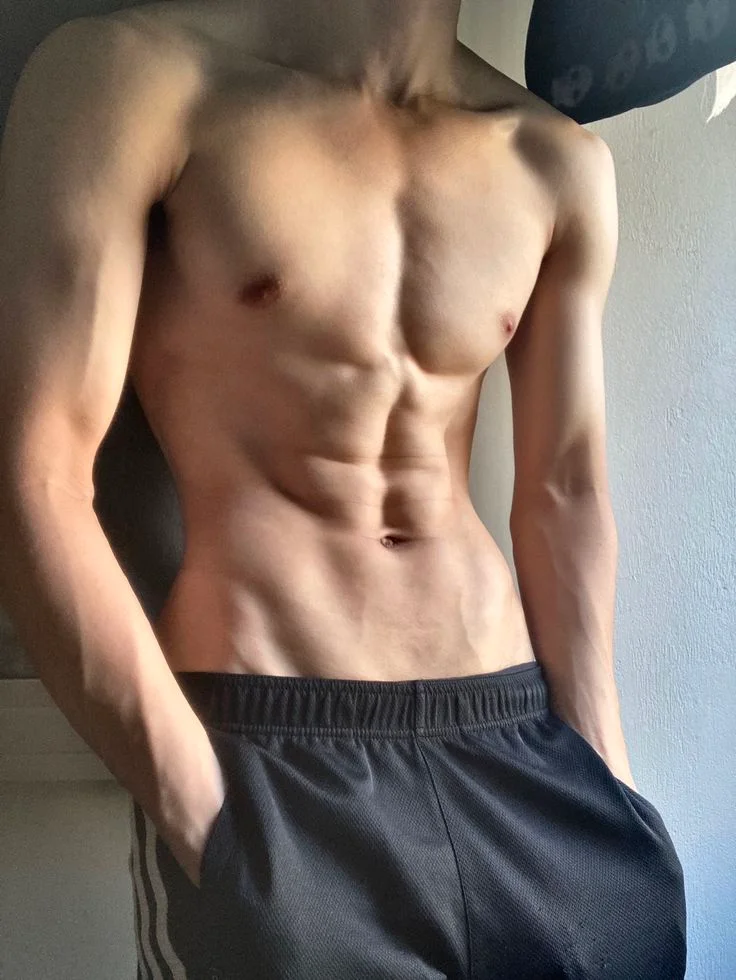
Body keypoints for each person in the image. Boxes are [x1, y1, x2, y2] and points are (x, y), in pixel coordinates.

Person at [0, 1, 686, 976]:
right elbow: (36, 475)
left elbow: (566, 491)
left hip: (525, 743)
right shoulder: (139, 80)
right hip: (275, 759)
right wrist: (211, 822)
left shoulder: (554, 158)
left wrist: (609, 780)